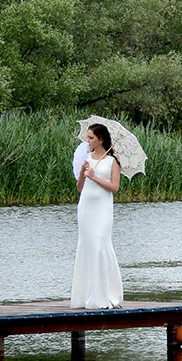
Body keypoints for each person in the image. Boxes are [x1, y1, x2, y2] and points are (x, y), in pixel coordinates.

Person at [71, 123, 123, 309]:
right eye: (87, 137)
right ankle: (86, 295)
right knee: (87, 246)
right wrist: (84, 175)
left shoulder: (112, 161)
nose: (88, 141)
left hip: (102, 209)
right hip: (86, 207)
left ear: (101, 139)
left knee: (100, 244)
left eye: (91, 138)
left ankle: (106, 294)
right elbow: (79, 188)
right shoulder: (86, 158)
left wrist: (94, 177)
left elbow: (114, 188)